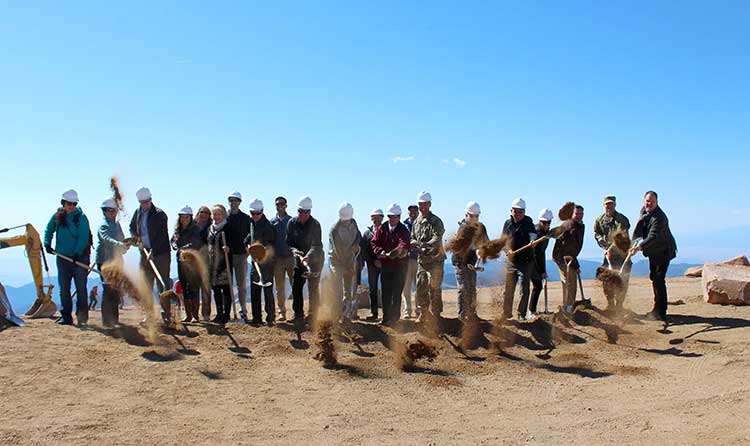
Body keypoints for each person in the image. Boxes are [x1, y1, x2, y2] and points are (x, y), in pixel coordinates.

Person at [44, 189, 92, 326]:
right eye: (68, 203)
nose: (71, 206)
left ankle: (82, 318)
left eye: (74, 203)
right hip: (62, 258)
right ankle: (66, 317)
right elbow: (49, 229)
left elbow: (83, 238)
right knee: (64, 288)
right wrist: (47, 243)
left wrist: (77, 252)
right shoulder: (58, 216)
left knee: (81, 289)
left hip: (79, 258)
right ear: (63, 203)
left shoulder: (81, 218)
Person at [631, 191, 677, 322]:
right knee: (654, 277)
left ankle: (661, 311)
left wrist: (639, 247)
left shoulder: (659, 217)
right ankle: (657, 308)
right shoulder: (644, 210)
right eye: (647, 201)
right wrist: (633, 242)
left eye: (652, 201)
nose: (649, 203)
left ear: (657, 202)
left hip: (663, 251)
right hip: (653, 252)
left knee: (658, 279)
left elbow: (653, 236)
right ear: (644, 201)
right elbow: (640, 227)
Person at [372, 204, 411, 326]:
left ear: (399, 217)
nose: (392, 219)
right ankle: (386, 317)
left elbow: (403, 243)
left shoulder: (403, 230)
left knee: (396, 292)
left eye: (394, 217)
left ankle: (395, 319)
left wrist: (395, 252)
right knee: (386, 292)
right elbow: (374, 242)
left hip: (400, 266)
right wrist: (380, 252)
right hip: (386, 266)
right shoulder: (382, 229)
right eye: (390, 216)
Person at [129, 187, 171, 299]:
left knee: (162, 282)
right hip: (144, 251)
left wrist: (153, 251)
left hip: (161, 254)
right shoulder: (138, 213)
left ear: (150, 200)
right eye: (142, 203)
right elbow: (132, 227)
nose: (144, 205)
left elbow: (162, 236)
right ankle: (150, 313)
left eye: (146, 202)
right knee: (146, 283)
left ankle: (165, 312)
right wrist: (136, 239)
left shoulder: (160, 214)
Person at [286, 196, 324, 322]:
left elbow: (317, 245)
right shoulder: (292, 223)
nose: (301, 214)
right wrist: (294, 251)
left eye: (304, 212)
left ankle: (313, 316)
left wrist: (309, 255)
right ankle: (298, 315)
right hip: (299, 260)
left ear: (309, 212)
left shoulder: (315, 225)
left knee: (313, 287)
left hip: (315, 260)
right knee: (296, 286)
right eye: (299, 211)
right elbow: (289, 241)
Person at [411, 191, 446, 323]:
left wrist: (425, 245)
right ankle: (423, 312)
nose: (422, 206)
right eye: (420, 204)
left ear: (429, 204)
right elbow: (412, 237)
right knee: (421, 286)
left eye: (424, 204)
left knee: (434, 287)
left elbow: (437, 238)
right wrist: (415, 244)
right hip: (422, 261)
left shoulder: (436, 221)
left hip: (435, 260)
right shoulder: (417, 222)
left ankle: (436, 313)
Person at [452, 201, 489, 322]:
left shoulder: (481, 228)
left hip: (472, 263)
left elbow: (485, 243)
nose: (474, 218)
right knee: (463, 288)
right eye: (472, 216)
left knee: (472, 288)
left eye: (476, 216)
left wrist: (481, 250)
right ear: (466, 215)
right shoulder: (463, 228)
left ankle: (472, 314)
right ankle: (462, 316)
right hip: (460, 262)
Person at [95, 198, 130, 327]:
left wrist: (125, 245)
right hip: (105, 261)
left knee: (115, 289)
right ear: (104, 212)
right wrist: (120, 245)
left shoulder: (117, 225)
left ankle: (114, 319)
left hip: (116, 261)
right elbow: (106, 239)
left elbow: (121, 239)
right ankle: (107, 320)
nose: (112, 213)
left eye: (114, 210)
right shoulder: (103, 226)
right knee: (108, 289)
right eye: (109, 211)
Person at [502, 198, 538, 321]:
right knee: (508, 289)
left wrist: (532, 241)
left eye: (520, 212)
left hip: (525, 261)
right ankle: (506, 313)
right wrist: (508, 251)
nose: (518, 214)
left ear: (524, 212)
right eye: (515, 211)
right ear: (511, 211)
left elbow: (533, 235)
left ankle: (521, 314)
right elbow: (503, 241)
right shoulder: (507, 224)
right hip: (511, 261)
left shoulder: (528, 223)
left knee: (524, 289)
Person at [245, 199, 276, 325]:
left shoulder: (268, 226)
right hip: (255, 263)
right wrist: (248, 246)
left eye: (258, 213)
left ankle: (270, 318)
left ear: (262, 211)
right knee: (255, 290)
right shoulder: (252, 224)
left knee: (267, 290)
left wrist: (261, 254)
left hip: (266, 264)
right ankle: (257, 318)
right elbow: (248, 239)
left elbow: (271, 245)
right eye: (253, 213)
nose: (255, 216)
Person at [328, 203, 361, 321]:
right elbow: (338, 251)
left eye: (348, 220)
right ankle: (335, 316)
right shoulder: (334, 230)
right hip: (337, 261)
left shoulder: (354, 223)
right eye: (345, 220)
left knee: (348, 289)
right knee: (338, 289)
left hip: (349, 259)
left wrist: (356, 243)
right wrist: (348, 268)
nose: (347, 222)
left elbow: (358, 235)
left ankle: (345, 315)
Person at [171, 205, 202, 323]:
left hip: (192, 262)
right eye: (182, 217)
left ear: (190, 218)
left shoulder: (195, 230)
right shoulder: (178, 230)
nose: (184, 219)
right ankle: (188, 315)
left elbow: (195, 243)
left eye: (186, 217)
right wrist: (174, 244)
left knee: (193, 287)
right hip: (180, 262)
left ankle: (195, 315)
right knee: (184, 287)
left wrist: (183, 248)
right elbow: (173, 241)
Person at [553, 204, 586, 314]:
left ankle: (568, 306)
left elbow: (574, 249)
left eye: (581, 214)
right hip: (563, 258)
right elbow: (568, 249)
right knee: (570, 283)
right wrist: (576, 265)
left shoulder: (580, 226)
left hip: (570, 257)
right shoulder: (569, 226)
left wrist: (575, 263)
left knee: (570, 282)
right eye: (577, 213)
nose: (579, 216)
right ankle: (567, 308)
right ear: (572, 214)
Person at [226, 191, 251, 322]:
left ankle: (243, 311)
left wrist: (247, 253)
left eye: (235, 200)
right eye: (231, 200)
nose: (233, 203)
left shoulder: (246, 218)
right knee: (228, 285)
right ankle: (228, 311)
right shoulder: (225, 217)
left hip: (241, 255)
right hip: (227, 257)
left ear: (240, 202)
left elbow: (250, 236)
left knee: (241, 285)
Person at [207, 204, 232, 325]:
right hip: (212, 264)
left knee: (226, 290)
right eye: (214, 214)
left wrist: (229, 248)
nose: (216, 217)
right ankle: (219, 313)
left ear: (223, 215)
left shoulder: (228, 228)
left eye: (219, 214)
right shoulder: (210, 228)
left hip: (224, 263)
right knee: (216, 290)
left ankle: (226, 315)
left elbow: (235, 242)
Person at [270, 196, 294, 321]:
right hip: (278, 259)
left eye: (282, 204)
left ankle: (297, 311)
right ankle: (281, 312)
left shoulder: (291, 221)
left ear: (286, 205)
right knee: (280, 287)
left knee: (294, 285)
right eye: (278, 204)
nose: (280, 206)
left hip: (291, 258)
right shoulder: (272, 222)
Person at [594, 196, 631, 271]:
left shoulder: (621, 219)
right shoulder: (600, 219)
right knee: (608, 279)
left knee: (621, 279)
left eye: (611, 204)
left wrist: (610, 250)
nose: (609, 206)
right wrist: (603, 244)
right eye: (607, 204)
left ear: (615, 205)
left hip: (621, 253)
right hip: (608, 253)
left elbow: (621, 237)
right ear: (604, 205)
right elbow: (597, 233)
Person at [528, 209, 553, 317]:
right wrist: (542, 270)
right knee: (537, 286)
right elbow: (537, 254)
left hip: (535, 261)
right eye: (544, 222)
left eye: (548, 223)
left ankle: (532, 310)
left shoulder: (544, 232)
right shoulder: (539, 233)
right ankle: (531, 311)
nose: (546, 225)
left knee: (537, 286)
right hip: (532, 262)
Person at [361, 209, 384, 322]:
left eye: (378, 217)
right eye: (374, 217)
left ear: (382, 218)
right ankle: (374, 313)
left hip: (385, 265)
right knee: (372, 289)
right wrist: (372, 261)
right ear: (371, 218)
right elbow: (364, 251)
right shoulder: (367, 233)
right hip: (372, 265)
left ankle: (386, 314)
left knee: (386, 289)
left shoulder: (386, 231)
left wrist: (382, 261)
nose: (376, 219)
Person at [195, 205, 213, 320]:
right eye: (202, 212)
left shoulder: (211, 227)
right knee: (194, 288)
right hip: (193, 261)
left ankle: (206, 314)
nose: (204, 215)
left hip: (207, 260)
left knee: (206, 288)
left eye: (207, 213)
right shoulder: (191, 226)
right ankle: (194, 314)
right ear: (198, 213)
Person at [402, 204, 419, 319]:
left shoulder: (422, 224)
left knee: (419, 285)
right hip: (406, 259)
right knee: (406, 286)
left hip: (418, 258)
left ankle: (418, 309)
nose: (412, 213)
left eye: (414, 211)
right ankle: (407, 310)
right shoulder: (403, 225)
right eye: (410, 211)